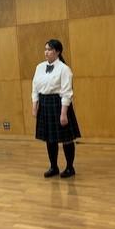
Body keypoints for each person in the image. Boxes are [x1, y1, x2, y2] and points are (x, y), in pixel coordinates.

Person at [32, 39, 81, 178]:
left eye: (49, 49)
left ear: (57, 52)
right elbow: (35, 87)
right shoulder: (39, 67)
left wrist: (63, 113)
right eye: (45, 49)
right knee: (49, 138)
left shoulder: (64, 69)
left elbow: (67, 92)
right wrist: (34, 105)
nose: (46, 52)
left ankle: (70, 167)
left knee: (66, 138)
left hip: (59, 104)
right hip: (44, 103)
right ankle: (53, 166)